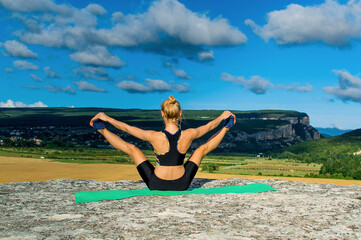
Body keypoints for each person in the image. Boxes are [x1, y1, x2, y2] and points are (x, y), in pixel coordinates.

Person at [90, 96, 236, 191]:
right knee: (202, 149)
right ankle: (227, 127)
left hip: (156, 184)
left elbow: (127, 128)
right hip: (182, 184)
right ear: (180, 114)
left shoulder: (154, 136)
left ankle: (101, 130)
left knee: (132, 149)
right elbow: (210, 126)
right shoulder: (189, 134)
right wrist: (222, 117)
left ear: (162, 114)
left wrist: (106, 118)